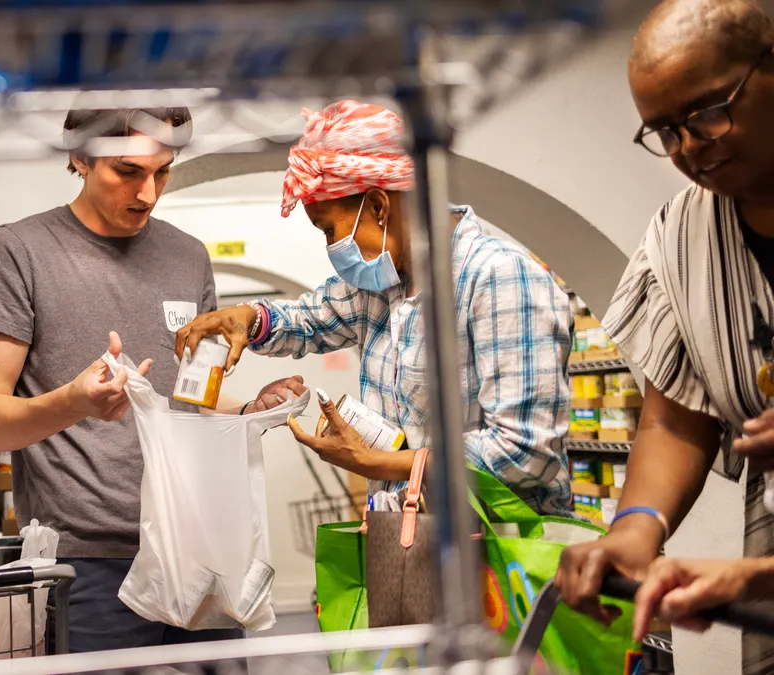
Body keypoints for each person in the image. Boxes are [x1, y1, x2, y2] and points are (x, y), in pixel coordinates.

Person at [0, 104, 306, 654]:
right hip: (89, 563)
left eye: (162, 171)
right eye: (127, 171)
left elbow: (189, 397)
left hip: (200, 544)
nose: (148, 192)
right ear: (78, 156)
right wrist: (76, 402)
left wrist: (245, 411)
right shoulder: (20, 252)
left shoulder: (188, 257)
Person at [176, 100, 573, 515]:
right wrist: (249, 318)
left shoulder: (499, 278)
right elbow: (307, 321)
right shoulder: (383, 288)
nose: (331, 247)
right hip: (409, 548)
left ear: (380, 207)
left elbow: (527, 452)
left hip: (497, 561)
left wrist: (377, 463)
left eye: (329, 229)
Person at [553, 1, 774, 670]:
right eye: (664, 130)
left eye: (709, 111)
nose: (687, 148)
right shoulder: (681, 239)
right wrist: (634, 529)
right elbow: (676, 419)